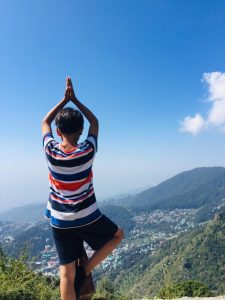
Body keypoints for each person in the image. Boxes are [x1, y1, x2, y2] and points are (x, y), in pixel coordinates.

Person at [41, 77, 124, 300]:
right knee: (117, 235)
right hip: (87, 217)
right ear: (81, 130)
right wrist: (75, 100)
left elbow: (44, 122)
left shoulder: (51, 152)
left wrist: (63, 100)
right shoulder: (87, 151)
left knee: (65, 273)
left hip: (60, 220)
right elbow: (95, 122)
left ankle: (78, 274)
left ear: (59, 132)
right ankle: (85, 270)